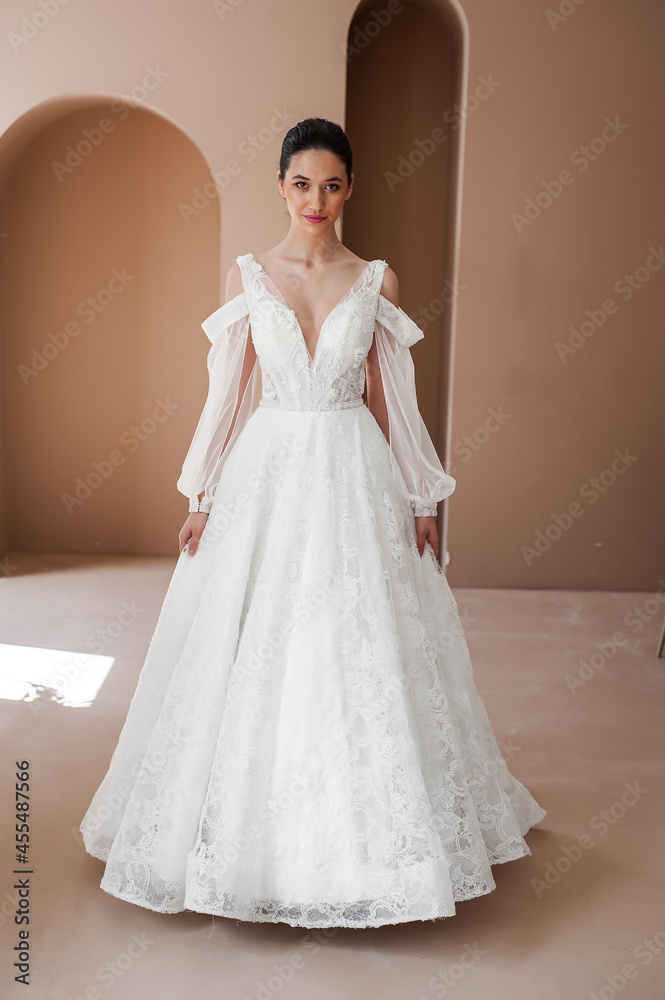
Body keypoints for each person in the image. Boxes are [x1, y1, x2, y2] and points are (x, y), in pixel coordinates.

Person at [80, 117, 546, 929]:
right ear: (281, 186)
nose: (316, 200)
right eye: (302, 184)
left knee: (352, 640)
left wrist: (420, 501)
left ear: (351, 188)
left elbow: (392, 403)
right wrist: (201, 498)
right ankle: (236, 836)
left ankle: (364, 842)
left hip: (351, 471)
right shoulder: (248, 277)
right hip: (266, 473)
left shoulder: (375, 281)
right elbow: (226, 398)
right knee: (253, 637)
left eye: (332, 184)